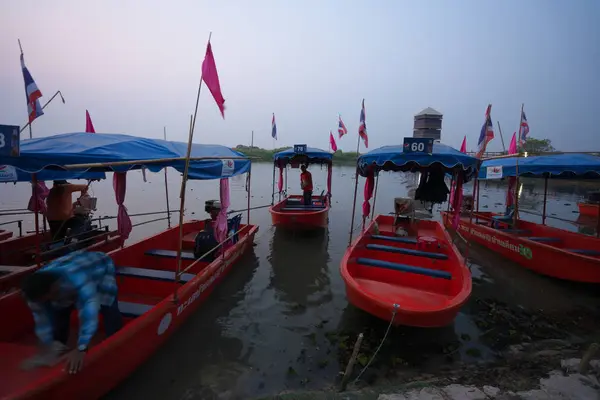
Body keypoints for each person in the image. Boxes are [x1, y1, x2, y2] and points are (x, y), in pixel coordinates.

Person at [20, 251, 123, 374]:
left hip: (101, 266)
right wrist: (46, 345)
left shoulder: (78, 279)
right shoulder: (32, 292)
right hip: (69, 270)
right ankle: (59, 346)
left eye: (48, 298)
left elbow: (89, 312)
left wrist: (82, 348)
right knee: (58, 311)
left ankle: (116, 345)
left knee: (108, 306)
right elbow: (41, 319)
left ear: (54, 288)